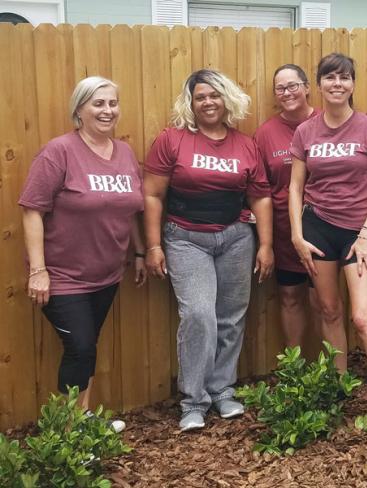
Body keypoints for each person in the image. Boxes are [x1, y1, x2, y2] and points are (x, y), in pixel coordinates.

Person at [289, 52, 367, 447]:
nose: (336, 84)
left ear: (353, 85)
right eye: (329, 77)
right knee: (328, 310)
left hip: (360, 231)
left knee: (362, 317)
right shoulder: (306, 132)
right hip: (317, 229)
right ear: (319, 85)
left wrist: (365, 232)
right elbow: (294, 187)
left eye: (344, 78)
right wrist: (295, 233)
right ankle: (339, 389)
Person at [143, 69, 273, 432]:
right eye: (200, 96)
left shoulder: (246, 144)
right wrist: (153, 246)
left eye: (214, 95)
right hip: (185, 239)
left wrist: (265, 244)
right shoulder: (173, 140)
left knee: (231, 316)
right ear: (191, 102)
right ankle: (193, 401)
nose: (208, 102)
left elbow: (260, 197)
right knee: (199, 314)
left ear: (226, 99)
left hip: (235, 238)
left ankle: (222, 390)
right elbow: (152, 195)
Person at [19, 76, 146, 432]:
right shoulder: (58, 152)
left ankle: (82, 420)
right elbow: (32, 210)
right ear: (79, 110)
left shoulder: (124, 152)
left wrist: (138, 252)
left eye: (112, 103)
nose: (107, 111)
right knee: (81, 348)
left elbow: (130, 207)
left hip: (106, 274)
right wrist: (38, 271)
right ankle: (70, 433)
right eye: (98, 103)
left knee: (87, 348)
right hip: (62, 276)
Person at [254, 64, 322, 348]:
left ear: (307, 87)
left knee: (323, 299)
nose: (287, 92)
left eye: (293, 85)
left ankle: (328, 370)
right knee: (290, 296)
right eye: (280, 88)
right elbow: (260, 189)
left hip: (326, 227)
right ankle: (297, 372)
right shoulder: (266, 133)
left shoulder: (328, 120)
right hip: (284, 231)